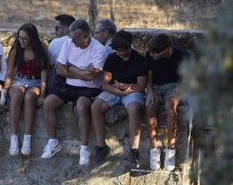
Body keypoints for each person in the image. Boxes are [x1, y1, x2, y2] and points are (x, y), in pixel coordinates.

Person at [41, 19, 107, 166]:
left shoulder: (99, 50)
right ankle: (53, 141)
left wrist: (70, 67)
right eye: (71, 37)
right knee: (48, 103)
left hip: (90, 88)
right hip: (69, 84)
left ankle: (84, 148)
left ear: (86, 37)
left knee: (82, 106)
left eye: (75, 38)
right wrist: (80, 72)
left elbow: (92, 77)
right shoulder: (68, 43)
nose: (72, 41)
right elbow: (59, 69)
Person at [90, 30, 147, 167]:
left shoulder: (139, 60)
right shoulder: (112, 58)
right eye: (117, 51)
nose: (119, 53)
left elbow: (141, 85)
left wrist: (122, 86)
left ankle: (134, 149)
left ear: (129, 47)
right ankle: (101, 146)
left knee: (134, 108)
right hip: (115, 91)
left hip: (132, 91)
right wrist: (120, 91)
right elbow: (105, 83)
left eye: (121, 50)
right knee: (95, 107)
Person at [145, 33, 190, 172]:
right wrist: (150, 91)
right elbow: (148, 76)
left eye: (155, 53)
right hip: (156, 87)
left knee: (171, 106)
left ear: (165, 50)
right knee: (150, 106)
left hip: (174, 86)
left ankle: (171, 148)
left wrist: (182, 86)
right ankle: (154, 149)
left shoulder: (183, 55)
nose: (152, 55)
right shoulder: (149, 55)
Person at [4, 23, 50, 156]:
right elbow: (9, 71)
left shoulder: (41, 49)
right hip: (19, 79)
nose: (22, 41)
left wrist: (42, 93)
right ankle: (14, 136)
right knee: (16, 97)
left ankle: (27, 137)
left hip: (35, 80)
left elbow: (44, 72)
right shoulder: (16, 49)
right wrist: (5, 89)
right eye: (20, 38)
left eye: (25, 39)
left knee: (30, 97)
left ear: (32, 39)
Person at [47, 13, 75, 87]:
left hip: (60, 81)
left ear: (66, 30)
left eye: (57, 28)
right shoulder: (83, 42)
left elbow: (50, 65)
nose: (54, 31)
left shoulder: (55, 42)